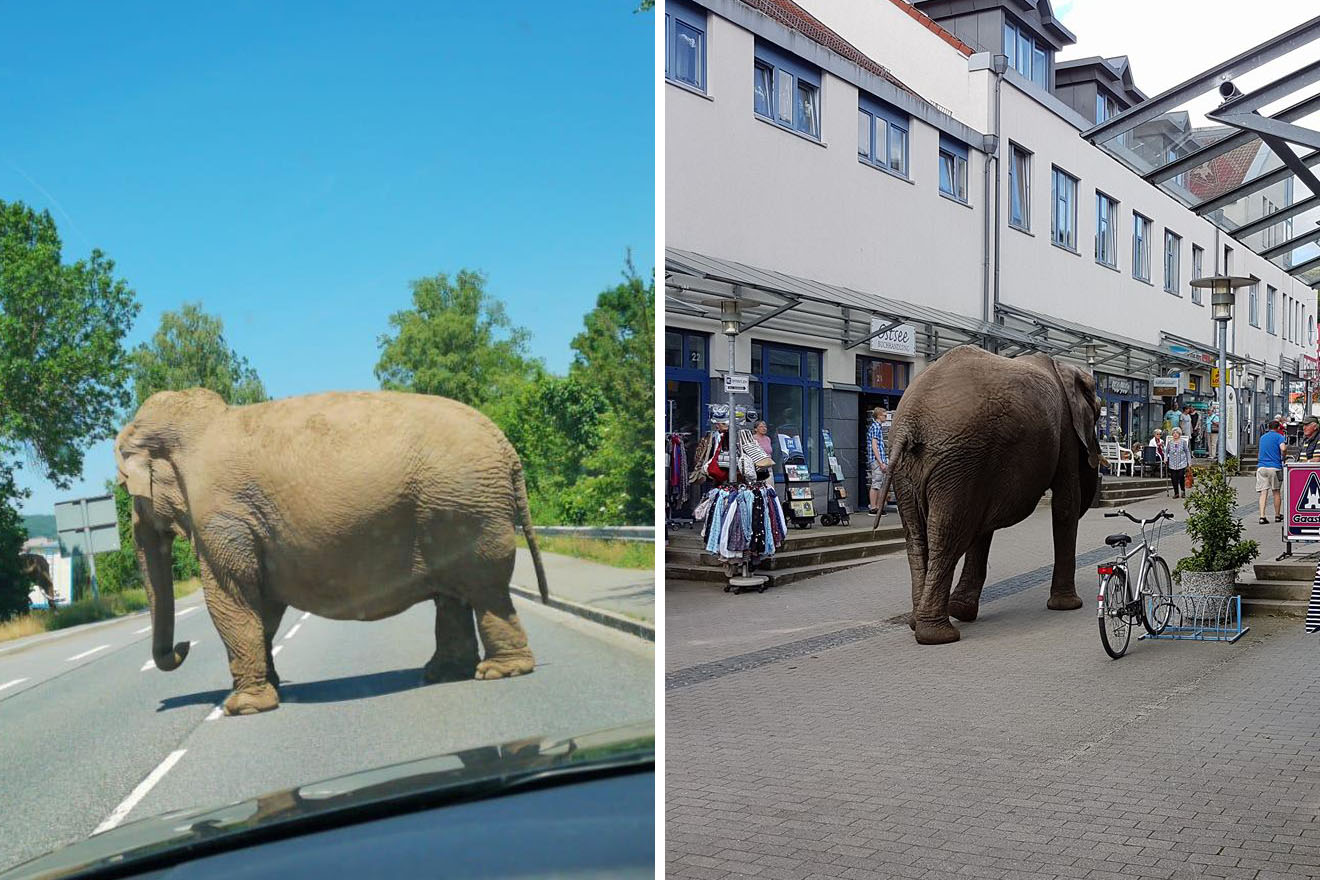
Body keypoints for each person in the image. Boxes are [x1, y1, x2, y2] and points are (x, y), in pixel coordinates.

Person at [1257, 418, 1287, 525]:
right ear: (1278, 428)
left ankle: (1262, 516)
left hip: (1261, 467)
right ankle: (1277, 515)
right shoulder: (1280, 437)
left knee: (1263, 492)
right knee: (1276, 491)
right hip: (1275, 467)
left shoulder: (1262, 438)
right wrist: (1283, 456)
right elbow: (1283, 448)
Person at [867, 406, 888, 514]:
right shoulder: (875, 427)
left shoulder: (877, 427)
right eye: (884, 415)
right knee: (876, 483)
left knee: (880, 484)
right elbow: (874, 446)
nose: (886, 417)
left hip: (879, 460)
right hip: (877, 461)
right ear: (879, 416)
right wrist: (881, 462)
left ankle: (878, 507)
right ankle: (874, 507)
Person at [1165, 427, 1190, 499]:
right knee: (1174, 478)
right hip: (1172, 463)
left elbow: (1187, 451)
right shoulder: (1170, 443)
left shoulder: (1183, 442)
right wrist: (1165, 458)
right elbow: (1166, 451)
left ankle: (1183, 491)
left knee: (1181, 476)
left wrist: (1189, 461)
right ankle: (1176, 493)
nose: (1175, 435)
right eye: (1174, 433)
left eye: (1177, 433)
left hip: (1182, 462)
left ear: (1179, 434)